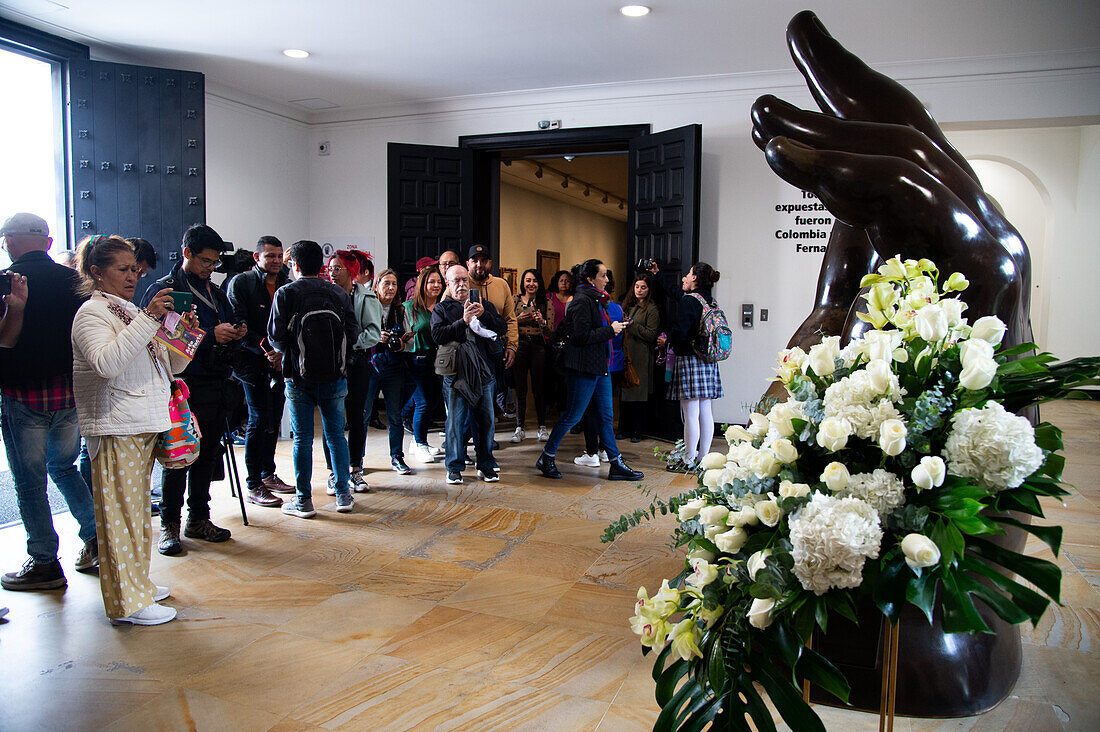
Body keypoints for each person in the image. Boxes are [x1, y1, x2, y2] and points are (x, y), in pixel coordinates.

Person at [71, 235, 191, 625]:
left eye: (134, 269)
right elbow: (108, 363)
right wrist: (149, 319)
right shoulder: (92, 314)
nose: (132, 276)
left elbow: (171, 369)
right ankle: (128, 601)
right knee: (119, 516)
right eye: (122, 270)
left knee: (137, 513)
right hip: (115, 425)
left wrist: (181, 336)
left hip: (140, 422)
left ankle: (137, 582)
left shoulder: (127, 311)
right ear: (96, 272)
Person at [0, 213, 99, 591]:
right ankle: (95, 540)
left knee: (29, 481)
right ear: (47, 240)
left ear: (9, 240)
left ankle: (43, 561)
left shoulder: (8, 281)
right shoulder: (76, 281)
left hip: (24, 395)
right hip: (70, 393)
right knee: (64, 467)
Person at [141, 224, 245, 555]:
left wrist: (234, 331)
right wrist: (210, 336)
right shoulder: (166, 290)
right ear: (187, 253)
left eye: (214, 262)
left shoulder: (214, 292)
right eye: (204, 261)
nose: (210, 268)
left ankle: (199, 517)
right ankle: (169, 524)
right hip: (181, 387)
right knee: (178, 456)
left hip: (216, 382)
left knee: (207, 454)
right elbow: (159, 339)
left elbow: (223, 322)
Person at [268, 240, 360, 518]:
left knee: (302, 439)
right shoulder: (337, 293)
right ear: (321, 264)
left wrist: (295, 352)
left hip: (298, 378)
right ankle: (343, 495)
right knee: (336, 436)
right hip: (336, 375)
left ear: (294, 265)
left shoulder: (285, 293)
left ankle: (303, 501)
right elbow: (353, 333)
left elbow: (275, 337)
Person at [535, 259, 643, 482]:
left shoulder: (597, 300)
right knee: (573, 416)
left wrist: (610, 330)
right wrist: (610, 330)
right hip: (583, 367)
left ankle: (616, 463)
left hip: (599, 366)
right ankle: (546, 457)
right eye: (603, 275)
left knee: (606, 416)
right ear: (590, 279)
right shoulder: (582, 301)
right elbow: (581, 337)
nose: (607, 279)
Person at [226, 235, 295, 507]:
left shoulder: (286, 285)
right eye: (270, 256)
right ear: (257, 258)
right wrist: (267, 349)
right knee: (258, 418)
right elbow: (238, 325)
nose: (277, 261)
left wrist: (281, 352)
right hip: (250, 362)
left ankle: (268, 474)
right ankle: (253, 483)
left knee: (273, 420)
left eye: (279, 256)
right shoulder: (241, 283)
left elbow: (290, 323)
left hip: (279, 362)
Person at [431, 265, 507, 485]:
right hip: (455, 374)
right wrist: (463, 321)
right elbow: (438, 335)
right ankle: (454, 467)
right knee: (455, 421)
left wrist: (485, 316)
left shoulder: (483, 305)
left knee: (485, 420)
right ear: (448, 284)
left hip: (484, 372)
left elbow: (501, 327)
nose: (462, 284)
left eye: (465, 280)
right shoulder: (442, 309)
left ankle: (486, 464)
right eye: (456, 281)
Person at [322, 250, 381, 492]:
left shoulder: (366, 298)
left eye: (338, 268)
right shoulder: (324, 294)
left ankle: (355, 469)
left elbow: (374, 334)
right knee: (331, 419)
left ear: (351, 271)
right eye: (331, 268)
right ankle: (334, 472)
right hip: (329, 365)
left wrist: (348, 342)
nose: (333, 273)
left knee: (356, 418)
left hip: (357, 363)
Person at [662, 262, 724, 469]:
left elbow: (682, 331)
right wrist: (658, 275)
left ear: (695, 278)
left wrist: (669, 339)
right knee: (706, 410)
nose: (684, 278)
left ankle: (688, 460)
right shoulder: (710, 300)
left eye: (688, 274)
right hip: (708, 360)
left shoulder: (690, 301)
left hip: (690, 358)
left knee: (689, 414)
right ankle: (703, 458)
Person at [574, 269, 626, 466]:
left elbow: (586, 336)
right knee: (605, 411)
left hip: (597, 363)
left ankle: (592, 452)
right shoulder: (617, 308)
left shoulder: (592, 306)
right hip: (613, 362)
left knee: (589, 410)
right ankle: (606, 451)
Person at [368, 269, 415, 474]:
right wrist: (375, 338)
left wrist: (401, 344)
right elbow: (356, 335)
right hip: (370, 364)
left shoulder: (401, 310)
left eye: (394, 284)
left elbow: (410, 342)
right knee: (363, 412)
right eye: (386, 283)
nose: (390, 288)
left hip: (394, 365)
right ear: (377, 285)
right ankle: (356, 460)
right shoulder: (367, 307)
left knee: (394, 414)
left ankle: (397, 457)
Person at [466, 245, 518, 423]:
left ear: (490, 263)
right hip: (467, 351)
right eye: (475, 260)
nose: (479, 265)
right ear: (468, 263)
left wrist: (512, 346)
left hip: (495, 350)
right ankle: (464, 438)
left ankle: (486, 439)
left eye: (484, 260)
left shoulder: (501, 284)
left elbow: (510, 319)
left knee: (492, 392)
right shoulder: (460, 283)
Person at [405, 266, 446, 463]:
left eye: (439, 281)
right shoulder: (409, 307)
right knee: (423, 402)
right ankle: (420, 443)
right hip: (416, 361)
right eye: (431, 282)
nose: (436, 285)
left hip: (438, 361)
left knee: (432, 402)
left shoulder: (443, 307)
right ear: (423, 284)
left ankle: (417, 440)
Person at [509, 268, 551, 443]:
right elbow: (507, 323)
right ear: (523, 283)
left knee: (539, 387)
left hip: (538, 346)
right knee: (520, 388)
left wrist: (542, 322)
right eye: (528, 280)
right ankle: (520, 428)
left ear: (539, 283)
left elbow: (551, 330)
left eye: (534, 280)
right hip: (520, 345)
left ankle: (542, 427)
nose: (531, 284)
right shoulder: (515, 300)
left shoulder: (545, 301)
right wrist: (519, 319)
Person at [620, 272, 661, 442]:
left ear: (649, 289)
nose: (639, 290)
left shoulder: (652, 309)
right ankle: (624, 429)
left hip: (642, 355)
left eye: (643, 287)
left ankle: (638, 431)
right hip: (626, 353)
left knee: (639, 395)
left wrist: (632, 325)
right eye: (637, 287)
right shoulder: (628, 305)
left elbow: (651, 335)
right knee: (625, 392)